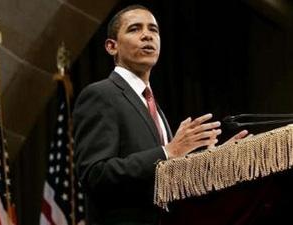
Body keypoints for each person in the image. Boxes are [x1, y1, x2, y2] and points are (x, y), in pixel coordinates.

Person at [73, 4, 248, 225]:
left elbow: (165, 176)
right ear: (111, 46)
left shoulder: (152, 104)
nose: (147, 35)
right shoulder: (100, 95)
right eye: (135, 29)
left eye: (153, 30)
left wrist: (212, 161)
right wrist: (169, 151)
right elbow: (94, 174)